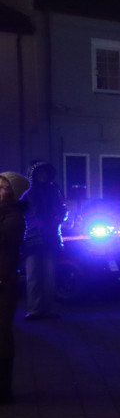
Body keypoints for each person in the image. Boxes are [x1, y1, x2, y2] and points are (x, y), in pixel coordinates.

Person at [21, 162, 66, 320]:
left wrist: (58, 218)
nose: (43, 176)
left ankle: (47, 309)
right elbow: (21, 213)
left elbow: (62, 209)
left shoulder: (54, 191)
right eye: (40, 173)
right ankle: (34, 310)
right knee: (33, 276)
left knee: (49, 276)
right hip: (32, 240)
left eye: (45, 173)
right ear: (34, 174)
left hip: (50, 238)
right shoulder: (27, 193)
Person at [0, 172, 28, 402]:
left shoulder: (14, 218)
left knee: (2, 335)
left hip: (3, 283)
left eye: (2, 188)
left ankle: (3, 390)